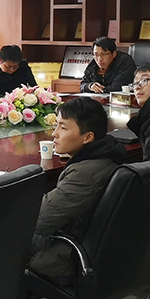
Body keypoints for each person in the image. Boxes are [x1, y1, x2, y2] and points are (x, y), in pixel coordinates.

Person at [29, 98, 126, 285]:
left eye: (63, 127)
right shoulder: (108, 156)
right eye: (56, 125)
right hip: (93, 246)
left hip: (67, 257)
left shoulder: (84, 174)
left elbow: (38, 220)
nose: (54, 134)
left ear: (88, 137)